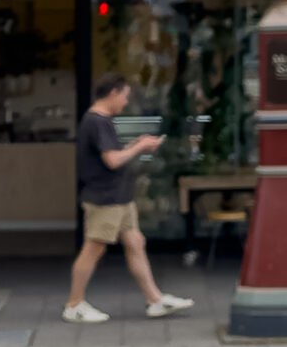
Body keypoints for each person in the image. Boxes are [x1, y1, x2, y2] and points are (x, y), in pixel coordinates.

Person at [63, 73, 193, 323]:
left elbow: (112, 154)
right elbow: (112, 161)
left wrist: (135, 144)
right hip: (105, 198)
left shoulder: (101, 120)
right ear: (113, 93)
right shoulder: (97, 121)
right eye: (124, 96)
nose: (126, 102)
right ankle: (74, 304)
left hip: (118, 197)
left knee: (135, 243)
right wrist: (140, 147)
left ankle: (155, 299)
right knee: (94, 248)